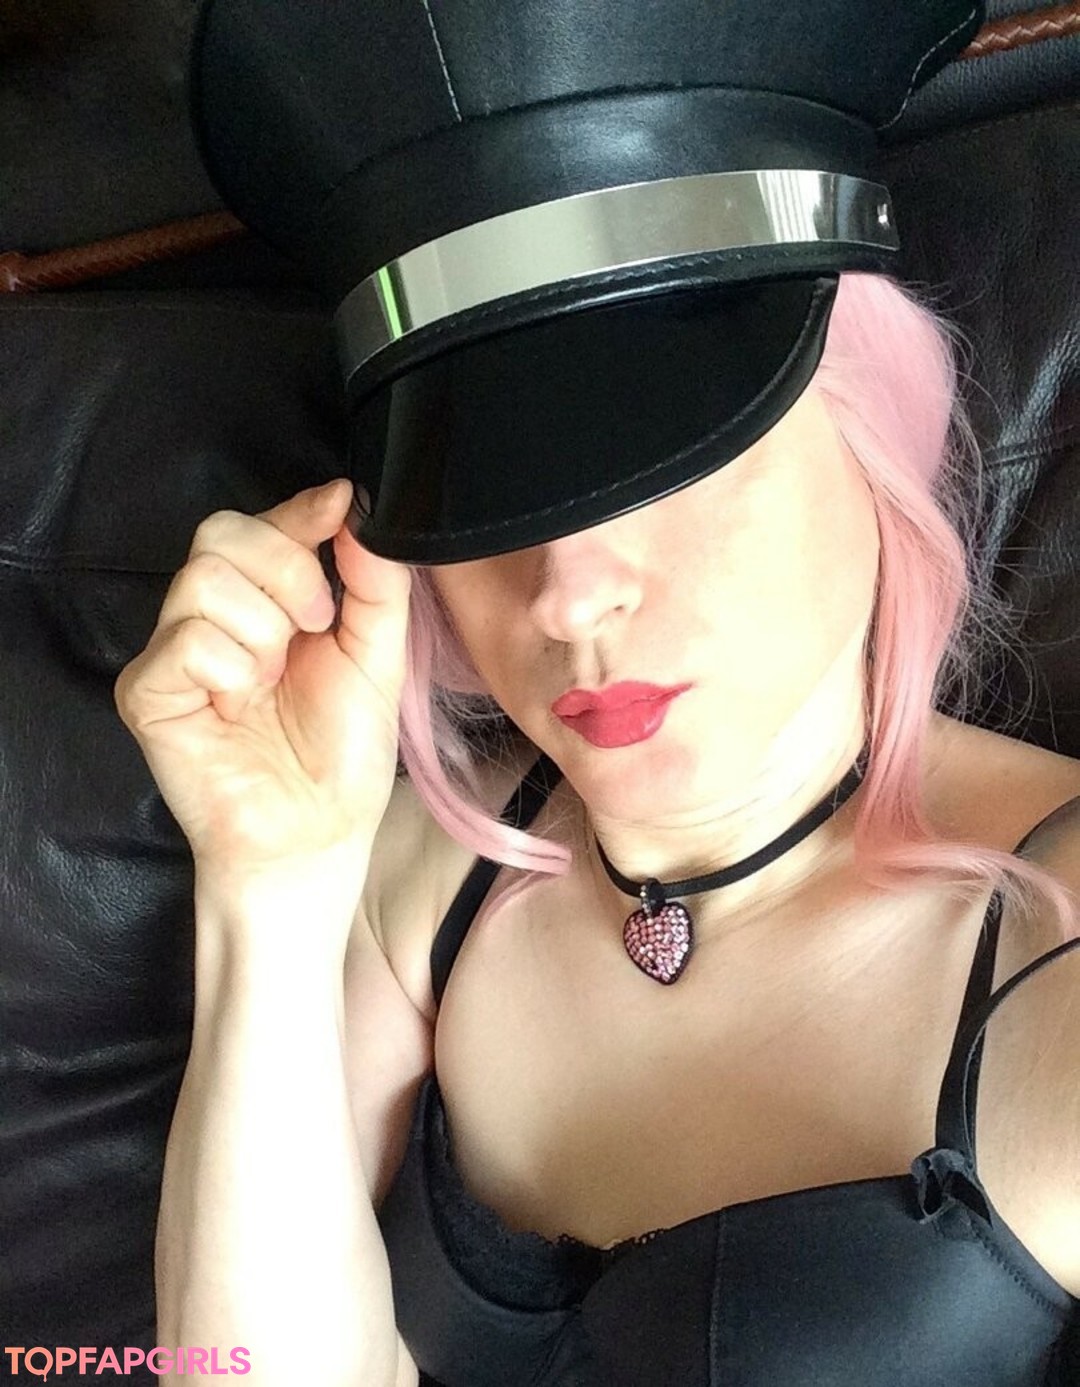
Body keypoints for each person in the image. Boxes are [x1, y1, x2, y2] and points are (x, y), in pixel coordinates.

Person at [114, 2, 1080, 1384]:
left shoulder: (1054, 949)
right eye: (490, 492)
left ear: (871, 441)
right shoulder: (418, 881)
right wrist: (264, 892)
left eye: (674, 468)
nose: (567, 598)